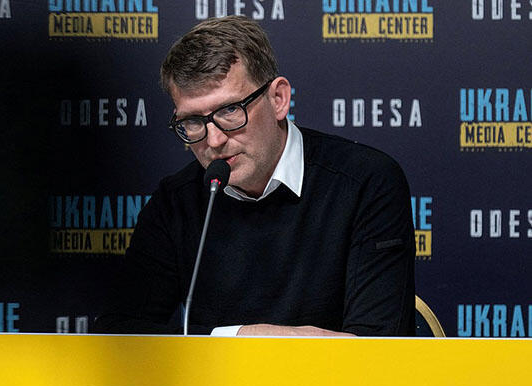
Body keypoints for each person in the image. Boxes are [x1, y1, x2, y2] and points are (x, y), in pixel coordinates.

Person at [94, 15, 415, 336]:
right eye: (193, 121)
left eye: (230, 110)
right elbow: (118, 333)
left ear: (278, 100)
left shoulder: (366, 182)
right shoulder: (176, 201)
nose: (214, 140)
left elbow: (380, 346)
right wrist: (241, 336)